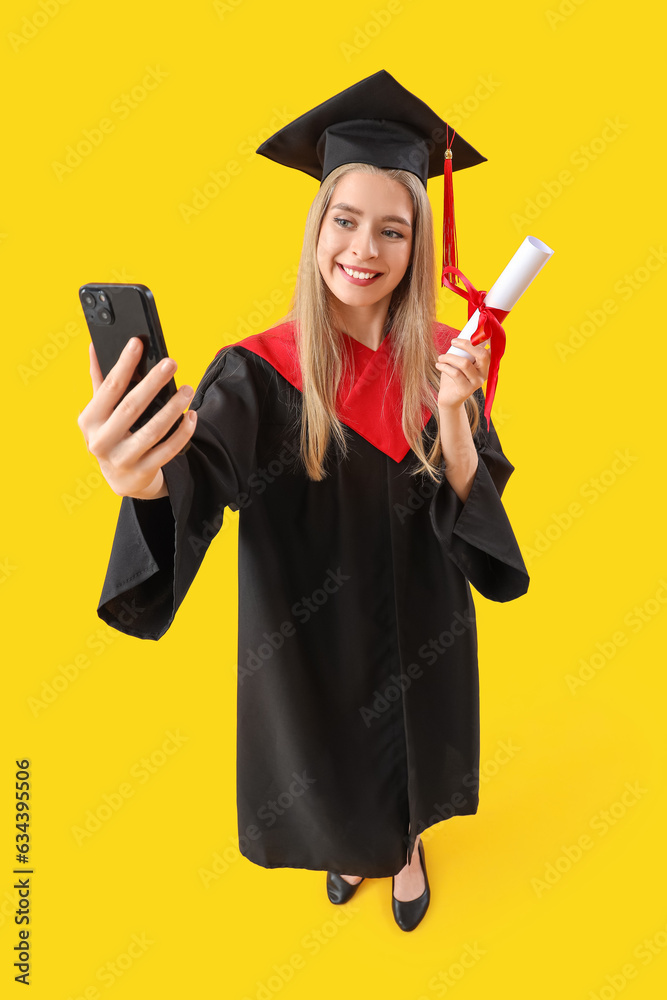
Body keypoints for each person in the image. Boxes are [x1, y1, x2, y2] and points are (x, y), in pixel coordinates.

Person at [77, 71, 530, 932]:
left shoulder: (449, 360)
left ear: (417, 246)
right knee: (325, 760)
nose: (364, 247)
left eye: (392, 229)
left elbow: (482, 524)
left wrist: (454, 419)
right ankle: (345, 848)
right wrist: (145, 484)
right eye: (344, 220)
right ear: (316, 228)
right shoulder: (257, 372)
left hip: (422, 623)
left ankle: (403, 851)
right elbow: (197, 471)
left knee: (408, 756)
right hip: (308, 630)